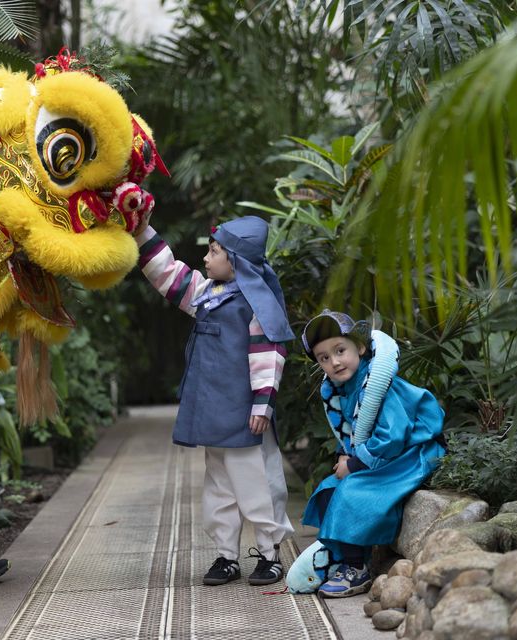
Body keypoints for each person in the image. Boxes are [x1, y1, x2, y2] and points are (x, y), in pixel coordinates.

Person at [134, 213, 294, 586]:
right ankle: (226, 555)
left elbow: (268, 356)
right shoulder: (208, 293)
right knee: (218, 485)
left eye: (214, 251)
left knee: (258, 481)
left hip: (246, 414)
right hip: (214, 411)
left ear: (235, 260)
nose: (205, 259)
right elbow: (170, 275)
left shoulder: (257, 304)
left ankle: (269, 555)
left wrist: (262, 405)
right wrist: (142, 230)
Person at [300, 310, 446, 598]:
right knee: (330, 487)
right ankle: (341, 554)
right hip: (388, 453)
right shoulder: (346, 387)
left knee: (354, 490)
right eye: (324, 358)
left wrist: (354, 464)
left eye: (340, 350)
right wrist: (348, 458)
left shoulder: (379, 383)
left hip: (413, 451)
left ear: (361, 347)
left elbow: (393, 436)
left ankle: (356, 568)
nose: (335, 361)